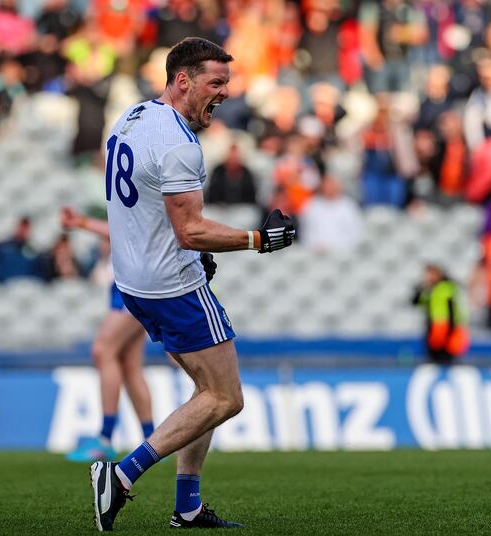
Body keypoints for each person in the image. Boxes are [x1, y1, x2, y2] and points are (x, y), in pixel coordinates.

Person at [90, 37, 296, 531]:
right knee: (225, 397)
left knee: (206, 393)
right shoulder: (180, 143)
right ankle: (120, 476)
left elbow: (142, 205)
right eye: (216, 82)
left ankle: (187, 506)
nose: (225, 92)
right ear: (183, 80)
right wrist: (258, 239)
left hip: (134, 281)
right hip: (173, 285)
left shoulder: (134, 116)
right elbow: (190, 230)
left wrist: (191, 249)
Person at [60, 208, 155, 463]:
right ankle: (153, 440)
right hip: (134, 282)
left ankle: (105, 438)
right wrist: (83, 223)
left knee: (103, 350)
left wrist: (82, 222)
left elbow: (121, 229)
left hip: (134, 284)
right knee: (130, 364)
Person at [412, 264, 469, 365]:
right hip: (434, 325)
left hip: (444, 325)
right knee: (433, 354)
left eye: (431, 274)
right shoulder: (430, 289)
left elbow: (452, 308)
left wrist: (452, 327)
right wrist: (420, 289)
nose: (429, 277)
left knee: (445, 355)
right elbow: (416, 302)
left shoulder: (446, 287)